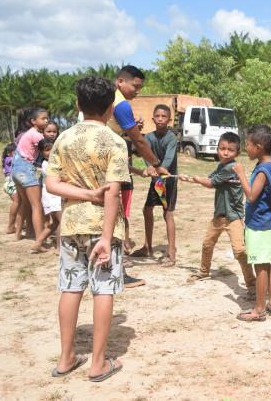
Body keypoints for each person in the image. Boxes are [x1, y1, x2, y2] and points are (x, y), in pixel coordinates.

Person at [45, 76, 129, 382]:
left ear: (78, 105)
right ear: (110, 108)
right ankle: (98, 363)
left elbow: (52, 183)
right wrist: (106, 237)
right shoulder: (115, 142)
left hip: (70, 225)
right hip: (102, 227)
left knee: (70, 288)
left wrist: (82, 195)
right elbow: (112, 192)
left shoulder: (63, 139)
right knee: (103, 290)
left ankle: (66, 357)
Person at [107, 65, 168, 288]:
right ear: (121, 81)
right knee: (115, 218)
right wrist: (156, 163)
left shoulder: (103, 98)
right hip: (110, 169)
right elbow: (139, 141)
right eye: (136, 86)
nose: (138, 91)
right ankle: (117, 273)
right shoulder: (121, 104)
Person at [184, 132, 255, 291]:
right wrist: (190, 178)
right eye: (222, 148)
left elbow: (210, 183)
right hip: (219, 216)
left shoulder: (231, 167)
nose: (225, 152)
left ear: (237, 153)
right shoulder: (221, 166)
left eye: (230, 149)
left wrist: (198, 180)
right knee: (207, 244)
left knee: (239, 251)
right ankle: (204, 271)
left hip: (233, 218)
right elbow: (210, 178)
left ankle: (251, 282)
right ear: (217, 149)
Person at [233, 125, 271, 321]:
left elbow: (252, 195)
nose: (246, 148)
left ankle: (259, 308)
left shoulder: (263, 170)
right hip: (264, 222)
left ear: (259, 147)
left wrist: (241, 174)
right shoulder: (270, 164)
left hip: (259, 224)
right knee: (265, 261)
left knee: (259, 266)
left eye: (248, 145)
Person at [131, 105, 179, 266]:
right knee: (147, 210)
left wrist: (156, 168)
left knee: (167, 214)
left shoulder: (172, 138)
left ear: (169, 120)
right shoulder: (149, 138)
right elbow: (146, 153)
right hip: (157, 182)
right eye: (157, 116)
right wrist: (149, 167)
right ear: (153, 119)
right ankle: (147, 247)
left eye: (163, 116)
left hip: (169, 181)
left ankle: (171, 253)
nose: (160, 119)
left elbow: (168, 161)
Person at [11, 107, 50, 253]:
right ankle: (39, 241)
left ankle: (19, 233)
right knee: (36, 206)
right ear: (33, 121)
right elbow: (49, 147)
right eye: (43, 119)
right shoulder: (37, 136)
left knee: (24, 203)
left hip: (16, 169)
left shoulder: (28, 133)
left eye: (47, 118)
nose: (46, 121)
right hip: (26, 169)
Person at [39, 138, 62, 247]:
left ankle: (38, 243)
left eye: (53, 149)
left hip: (52, 197)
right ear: (41, 153)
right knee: (62, 221)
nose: (51, 152)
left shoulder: (51, 163)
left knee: (55, 223)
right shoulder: (46, 165)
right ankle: (59, 248)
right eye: (47, 150)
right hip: (53, 197)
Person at [2, 143, 21, 235]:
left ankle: (16, 224)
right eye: (16, 152)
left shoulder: (9, 159)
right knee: (17, 202)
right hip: (10, 183)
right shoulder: (9, 159)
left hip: (9, 183)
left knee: (18, 203)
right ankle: (10, 226)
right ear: (9, 153)